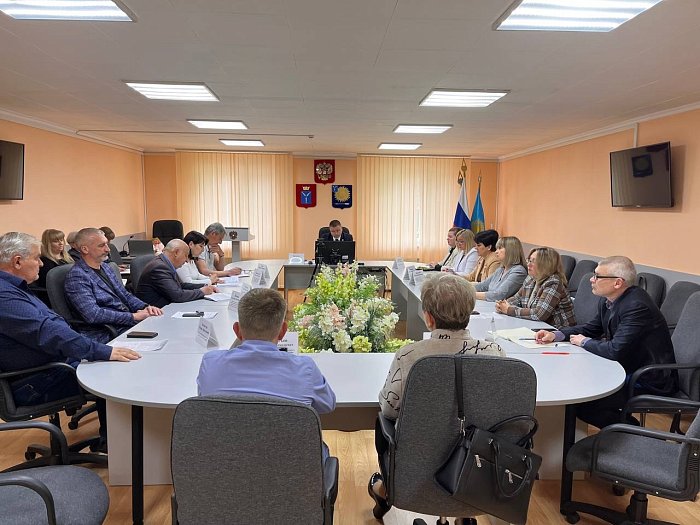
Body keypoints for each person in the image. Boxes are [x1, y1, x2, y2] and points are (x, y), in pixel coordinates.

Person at [372, 273, 504, 508]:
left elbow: (389, 411)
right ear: (470, 312)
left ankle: (386, 488)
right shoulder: (495, 353)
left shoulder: (410, 355)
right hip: (476, 460)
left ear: (429, 318)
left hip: (419, 457)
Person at [0, 232, 140, 446]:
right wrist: (103, 351)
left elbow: (52, 324)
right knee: (111, 372)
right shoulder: (5, 297)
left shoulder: (15, 289)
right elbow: (51, 333)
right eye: (37, 258)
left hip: (49, 367)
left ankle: (115, 441)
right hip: (33, 382)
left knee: (111, 363)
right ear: (17, 261)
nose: (41, 264)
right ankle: (112, 444)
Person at [535, 256, 677, 428]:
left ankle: (633, 432)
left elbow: (614, 350)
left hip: (647, 378)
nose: (591, 279)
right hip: (626, 366)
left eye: (597, 276)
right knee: (574, 386)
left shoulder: (637, 306)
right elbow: (591, 328)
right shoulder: (609, 299)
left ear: (617, 283)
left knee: (584, 403)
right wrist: (556, 335)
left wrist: (584, 342)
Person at [197, 287, 335, 412]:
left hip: (226, 433)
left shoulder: (210, 363)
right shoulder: (305, 369)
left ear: (237, 331)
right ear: (283, 332)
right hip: (284, 433)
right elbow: (328, 405)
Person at [65, 228, 163, 343]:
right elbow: (93, 314)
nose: (107, 249)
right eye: (101, 245)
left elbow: (125, 295)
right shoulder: (77, 276)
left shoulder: (106, 267)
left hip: (124, 324)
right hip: (106, 332)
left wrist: (145, 307)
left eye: (106, 244)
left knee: (165, 327)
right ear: (85, 249)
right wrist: (133, 317)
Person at [496, 247, 576, 329]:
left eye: (533, 261)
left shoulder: (554, 283)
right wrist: (502, 305)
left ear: (546, 265)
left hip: (558, 330)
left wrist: (509, 310)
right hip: (536, 326)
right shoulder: (531, 278)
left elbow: (539, 314)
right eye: (529, 260)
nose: (528, 264)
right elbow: (517, 298)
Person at [136, 239, 218, 307]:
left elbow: (179, 286)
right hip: (157, 313)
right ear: (176, 252)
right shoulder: (160, 267)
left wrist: (204, 286)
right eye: (185, 255)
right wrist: (202, 292)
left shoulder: (165, 263)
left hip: (167, 307)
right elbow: (178, 295)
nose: (186, 260)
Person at [473, 236, 527, 301]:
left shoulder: (519, 271)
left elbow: (499, 295)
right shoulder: (501, 269)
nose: (496, 252)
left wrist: (470, 294)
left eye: (500, 248)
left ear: (510, 251)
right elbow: (482, 286)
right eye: (497, 248)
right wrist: (464, 288)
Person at [30, 228, 73, 305]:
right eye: (56, 241)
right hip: (57, 297)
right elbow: (49, 284)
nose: (61, 243)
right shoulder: (45, 263)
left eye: (61, 240)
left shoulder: (68, 258)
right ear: (48, 244)